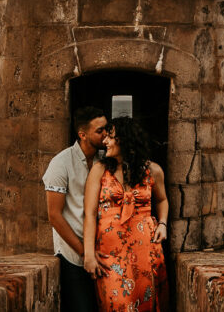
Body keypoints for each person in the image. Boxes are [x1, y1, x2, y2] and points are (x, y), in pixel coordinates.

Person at [83, 116, 169, 312]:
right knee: (116, 304)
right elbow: (89, 214)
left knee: (147, 302)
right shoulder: (100, 170)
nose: (104, 142)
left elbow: (162, 200)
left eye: (110, 137)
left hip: (146, 249)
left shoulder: (153, 170)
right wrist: (88, 254)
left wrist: (163, 224)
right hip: (110, 254)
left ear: (125, 139)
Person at [43, 106, 108, 312]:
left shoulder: (104, 162)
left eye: (106, 129)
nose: (106, 134)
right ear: (83, 134)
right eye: (100, 131)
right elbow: (54, 216)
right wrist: (84, 252)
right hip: (73, 255)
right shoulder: (60, 163)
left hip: (102, 253)